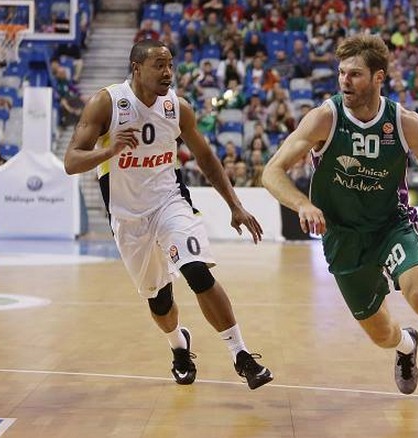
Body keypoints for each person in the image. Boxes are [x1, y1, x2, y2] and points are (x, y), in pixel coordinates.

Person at [262, 34, 418, 422]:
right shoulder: (325, 118)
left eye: (354, 74)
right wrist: (302, 203)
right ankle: (406, 345)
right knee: (381, 334)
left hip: (392, 224)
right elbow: (271, 171)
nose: (344, 81)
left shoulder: (405, 123)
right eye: (341, 73)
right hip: (343, 236)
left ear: (378, 77)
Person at [63, 40, 273, 390]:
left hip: (170, 202)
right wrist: (110, 150)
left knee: (197, 270)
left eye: (170, 65)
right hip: (128, 217)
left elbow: (206, 158)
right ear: (136, 68)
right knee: (160, 302)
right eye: (159, 65)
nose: (168, 72)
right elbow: (71, 161)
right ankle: (178, 345)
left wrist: (234, 205)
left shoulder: (178, 108)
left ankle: (242, 355)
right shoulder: (106, 103)